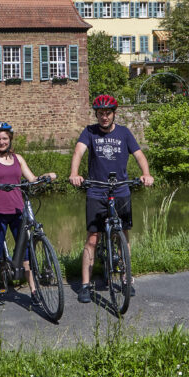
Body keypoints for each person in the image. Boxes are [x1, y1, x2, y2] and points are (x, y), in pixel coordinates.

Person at [68, 95, 154, 303]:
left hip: (121, 189)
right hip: (96, 190)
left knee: (123, 235)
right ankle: (86, 285)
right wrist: (74, 173)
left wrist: (146, 174)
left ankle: (126, 279)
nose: (104, 117)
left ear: (114, 114)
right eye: (100, 113)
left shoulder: (124, 133)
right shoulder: (89, 132)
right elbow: (79, 152)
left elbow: (139, 155)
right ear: (96, 114)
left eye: (107, 113)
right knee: (92, 239)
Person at [0, 121, 57, 309]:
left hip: (17, 211)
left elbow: (32, 179)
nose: (2, 142)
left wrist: (46, 177)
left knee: (26, 253)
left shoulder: (18, 159)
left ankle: (34, 290)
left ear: (10, 139)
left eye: (5, 138)